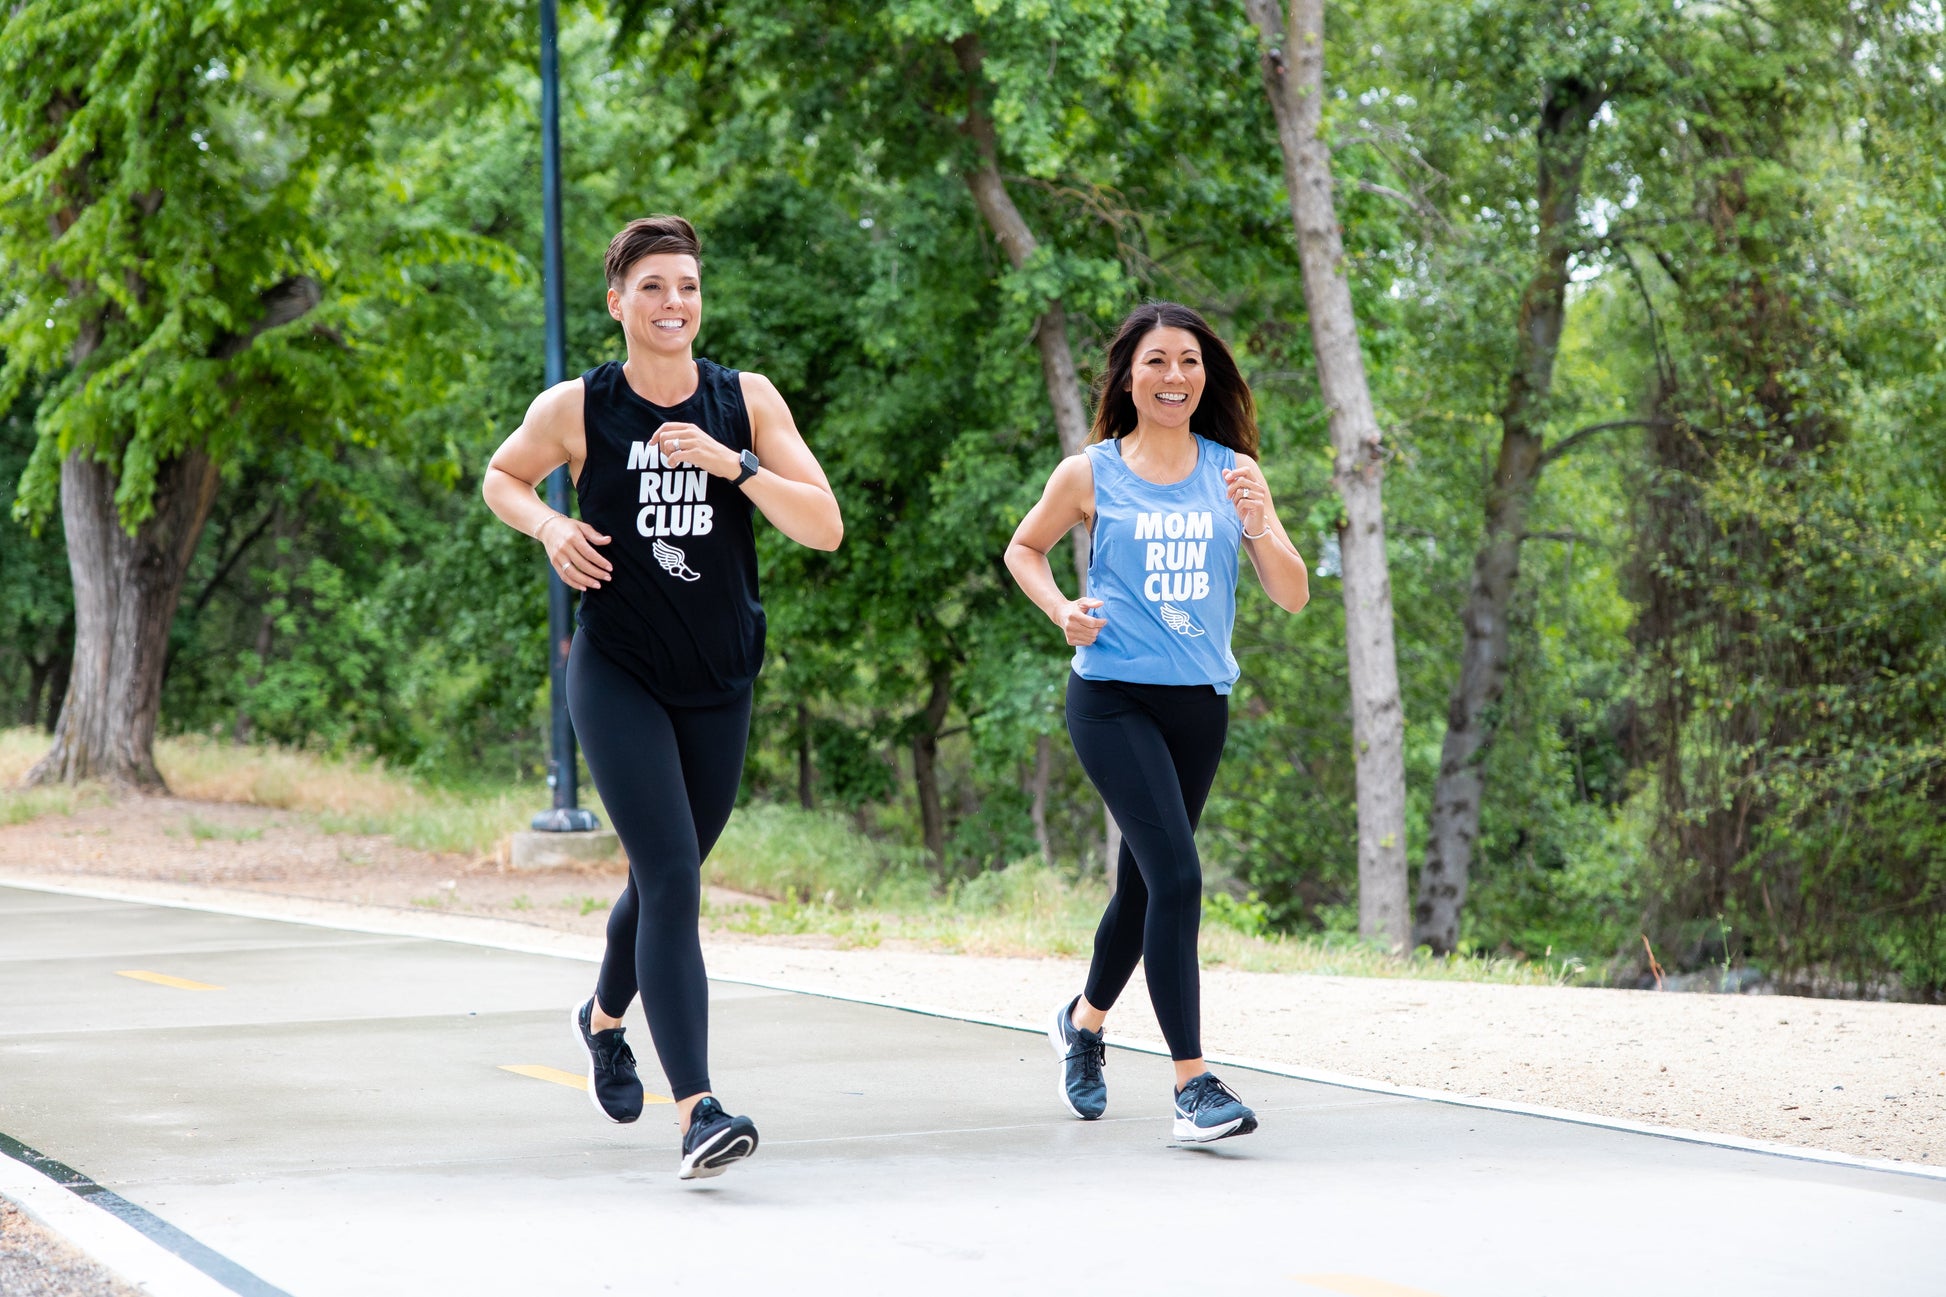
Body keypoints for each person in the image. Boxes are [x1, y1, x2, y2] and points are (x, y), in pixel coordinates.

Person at [482, 215, 843, 1179]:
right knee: (677, 875)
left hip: (721, 678)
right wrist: (551, 526)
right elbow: (500, 476)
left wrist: (737, 466)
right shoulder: (578, 407)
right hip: (618, 669)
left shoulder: (745, 401)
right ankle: (700, 1109)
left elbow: (826, 526)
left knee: (660, 875)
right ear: (618, 303)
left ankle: (603, 1019)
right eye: (651, 287)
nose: (672, 302)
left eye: (685, 285)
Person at [1003, 302, 1309, 1143]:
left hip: (1198, 703)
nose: (1174, 377)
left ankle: (1084, 1022)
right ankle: (1192, 1084)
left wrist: (1257, 520)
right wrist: (1062, 606)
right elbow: (1022, 549)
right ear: (1128, 377)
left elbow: (1291, 592)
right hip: (1112, 697)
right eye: (1156, 362)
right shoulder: (1091, 472)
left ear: (1205, 377)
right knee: (1177, 876)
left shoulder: (1235, 469)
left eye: (1189, 363)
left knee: (1145, 885)